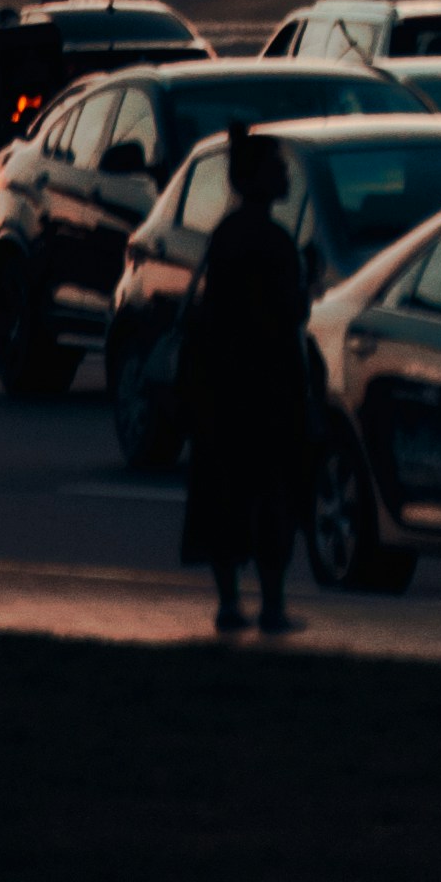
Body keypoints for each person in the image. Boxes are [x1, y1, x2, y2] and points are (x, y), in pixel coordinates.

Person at [179, 126, 312, 638]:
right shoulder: (274, 242)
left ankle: (230, 602)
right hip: (267, 391)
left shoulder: (226, 236)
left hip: (220, 390)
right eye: (276, 167)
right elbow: (284, 316)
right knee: (271, 498)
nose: (284, 175)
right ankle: (272, 606)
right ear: (256, 177)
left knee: (224, 496)